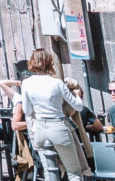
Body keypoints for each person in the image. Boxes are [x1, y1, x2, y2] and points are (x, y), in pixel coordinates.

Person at [11, 48, 85, 180]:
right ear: (50, 62)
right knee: (73, 171)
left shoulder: (27, 83)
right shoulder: (56, 82)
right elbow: (78, 107)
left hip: (39, 128)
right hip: (58, 126)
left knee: (48, 171)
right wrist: (77, 95)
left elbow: (27, 111)